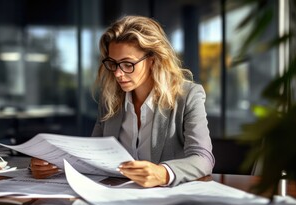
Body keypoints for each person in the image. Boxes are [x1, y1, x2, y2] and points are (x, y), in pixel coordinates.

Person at [30, 15, 215, 187]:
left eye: (128, 64)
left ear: (153, 59)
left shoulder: (188, 95)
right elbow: (93, 155)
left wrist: (163, 173)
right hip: (115, 197)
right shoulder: (110, 98)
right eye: (113, 63)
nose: (118, 73)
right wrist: (51, 163)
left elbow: (203, 158)